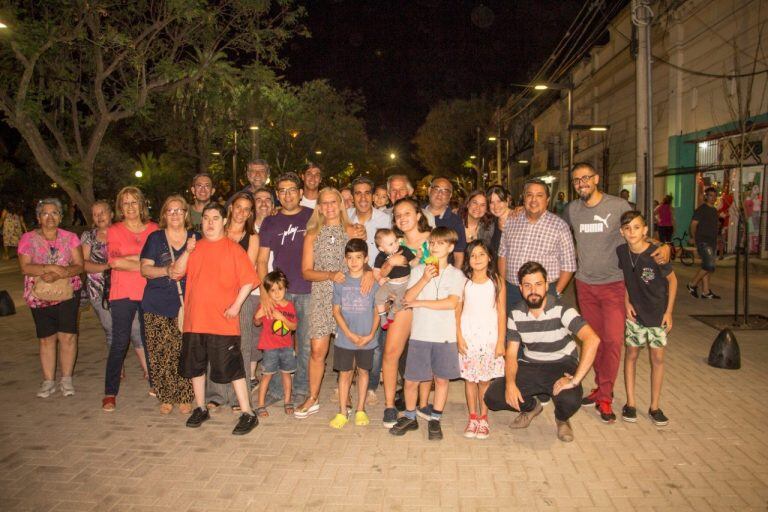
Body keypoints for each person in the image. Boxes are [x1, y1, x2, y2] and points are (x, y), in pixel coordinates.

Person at [563, 163, 669, 423]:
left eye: (586, 178)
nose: (581, 183)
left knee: (612, 341)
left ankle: (606, 396)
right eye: (576, 180)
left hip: (613, 285)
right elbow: (554, 225)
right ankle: (601, 386)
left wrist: (663, 244)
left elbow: (638, 232)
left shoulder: (617, 206)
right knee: (594, 341)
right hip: (585, 286)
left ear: (597, 179)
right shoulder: (572, 210)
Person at [485, 262, 601, 442]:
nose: (533, 290)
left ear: (547, 285)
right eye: (527, 285)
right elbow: (512, 354)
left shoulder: (562, 310)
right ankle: (532, 407)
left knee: (570, 400)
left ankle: (562, 419)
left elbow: (592, 339)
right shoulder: (516, 313)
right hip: (532, 364)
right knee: (493, 397)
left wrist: (575, 380)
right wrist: (510, 384)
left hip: (561, 364)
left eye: (538, 284)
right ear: (521, 288)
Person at [173, 203, 260, 435]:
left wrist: (236, 305)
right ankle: (200, 408)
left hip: (222, 321)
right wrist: (187, 252)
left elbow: (249, 280)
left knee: (233, 368)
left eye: (215, 218)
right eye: (206, 218)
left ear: (224, 221)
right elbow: (176, 272)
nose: (210, 223)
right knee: (196, 367)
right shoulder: (195, 248)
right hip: (195, 320)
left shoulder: (233, 249)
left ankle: (247, 413)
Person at [389, 227, 466, 440]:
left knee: (441, 380)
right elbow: (406, 298)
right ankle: (411, 417)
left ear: (450, 247)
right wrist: (424, 278)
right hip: (420, 335)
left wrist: (419, 302)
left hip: (445, 336)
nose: (435, 247)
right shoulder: (418, 271)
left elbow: (451, 303)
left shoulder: (457, 275)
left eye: (441, 243)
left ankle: (435, 419)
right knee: (411, 380)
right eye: (432, 243)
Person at [257, 172, 313, 406]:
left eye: (292, 190)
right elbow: (261, 261)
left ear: (301, 193)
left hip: (309, 290)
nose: (287, 194)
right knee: (278, 341)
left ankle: (301, 387)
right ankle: (278, 390)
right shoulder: (271, 222)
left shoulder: (313, 216)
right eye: (282, 190)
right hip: (280, 292)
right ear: (277, 195)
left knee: (305, 342)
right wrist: (265, 293)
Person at [18, 198, 84, 398]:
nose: (50, 217)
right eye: (45, 213)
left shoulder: (70, 237)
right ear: (38, 217)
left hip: (67, 292)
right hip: (40, 295)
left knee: (68, 336)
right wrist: (48, 268)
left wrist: (60, 273)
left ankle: (66, 379)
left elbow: (79, 265)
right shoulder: (28, 239)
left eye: (54, 213)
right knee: (46, 338)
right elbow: (25, 267)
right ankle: (48, 381)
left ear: (61, 216)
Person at [294, 187, 351, 418]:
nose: (329, 207)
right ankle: (313, 397)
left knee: (347, 351)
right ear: (318, 207)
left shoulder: (352, 231)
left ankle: (345, 399)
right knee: (317, 350)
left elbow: (361, 263)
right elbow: (306, 272)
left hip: (347, 296)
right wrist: (329, 275)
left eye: (333, 202)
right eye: (324, 203)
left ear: (340, 204)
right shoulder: (312, 234)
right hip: (320, 296)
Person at [617, 211, 676, 426]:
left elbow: (673, 281)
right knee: (631, 355)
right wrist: (626, 303)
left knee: (657, 359)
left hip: (657, 315)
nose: (632, 232)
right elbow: (627, 280)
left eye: (636, 227)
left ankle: (655, 406)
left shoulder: (656, 254)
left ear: (645, 230)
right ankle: (631, 403)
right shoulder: (622, 252)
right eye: (627, 228)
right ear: (621, 232)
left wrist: (668, 312)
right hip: (635, 316)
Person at [139, 195, 196, 415]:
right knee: (161, 352)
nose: (175, 215)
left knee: (185, 350)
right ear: (164, 215)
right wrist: (166, 271)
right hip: (157, 302)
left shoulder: (195, 237)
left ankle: (185, 394)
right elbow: (144, 269)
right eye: (170, 211)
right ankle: (166, 395)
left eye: (179, 210)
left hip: (188, 303)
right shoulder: (155, 238)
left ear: (186, 213)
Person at [102, 187, 157, 411]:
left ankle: (157, 383)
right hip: (122, 292)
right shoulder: (114, 230)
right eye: (125, 203)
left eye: (134, 202)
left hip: (150, 291)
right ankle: (110, 392)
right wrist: (144, 261)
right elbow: (114, 262)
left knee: (151, 339)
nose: (131, 207)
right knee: (120, 342)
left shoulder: (153, 228)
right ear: (120, 208)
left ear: (142, 204)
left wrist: (133, 261)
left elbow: (158, 258)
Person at [205, 192, 260, 412]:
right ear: (231, 208)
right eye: (238, 207)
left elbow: (247, 268)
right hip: (215, 296)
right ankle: (217, 394)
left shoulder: (253, 237)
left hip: (242, 297)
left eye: (247, 209)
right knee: (215, 346)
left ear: (250, 214)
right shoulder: (218, 231)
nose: (241, 212)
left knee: (242, 346)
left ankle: (240, 395)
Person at [381, 197, 432, 428]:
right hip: (402, 305)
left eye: (407, 213)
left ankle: (423, 403)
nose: (402, 218)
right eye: (398, 215)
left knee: (424, 356)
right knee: (391, 352)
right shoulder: (392, 243)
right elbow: (380, 274)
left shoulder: (433, 240)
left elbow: (437, 271)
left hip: (429, 303)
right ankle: (390, 405)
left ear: (419, 215)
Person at [346, 176, 392, 404]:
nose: (363, 198)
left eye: (367, 193)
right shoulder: (346, 219)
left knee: (374, 340)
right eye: (358, 193)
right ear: (352, 196)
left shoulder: (386, 220)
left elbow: (393, 253)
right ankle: (350, 381)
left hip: (379, 287)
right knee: (350, 336)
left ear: (373, 195)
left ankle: (371, 385)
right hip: (352, 287)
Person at [499, 179, 577, 309]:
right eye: (529, 195)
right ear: (524, 199)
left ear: (547, 200)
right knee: (512, 327)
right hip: (512, 290)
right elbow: (503, 254)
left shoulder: (559, 226)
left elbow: (569, 265)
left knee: (540, 328)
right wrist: (502, 286)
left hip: (544, 292)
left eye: (539, 195)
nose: (533, 200)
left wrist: (555, 292)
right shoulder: (511, 221)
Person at [329, 238, 380, 429]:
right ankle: (343, 411)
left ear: (366, 258)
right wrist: (348, 333)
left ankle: (360, 409)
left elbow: (378, 310)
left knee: (364, 372)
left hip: (367, 337)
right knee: (345, 374)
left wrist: (370, 334)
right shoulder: (340, 281)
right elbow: (336, 310)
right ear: (345, 259)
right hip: (345, 338)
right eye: (350, 257)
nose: (354, 261)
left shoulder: (373, 281)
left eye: (358, 257)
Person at [457, 240, 505, 439]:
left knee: (484, 380)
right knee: (469, 380)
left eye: (481, 254)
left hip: (489, 338)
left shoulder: (497, 281)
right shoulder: (463, 281)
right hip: (468, 337)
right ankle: (473, 417)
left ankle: (484, 418)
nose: (477, 259)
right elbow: (457, 311)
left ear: (490, 257)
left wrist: (501, 341)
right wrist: (458, 336)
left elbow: (502, 313)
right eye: (473, 255)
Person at [253, 270, 297, 417]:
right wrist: (259, 315)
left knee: (286, 374)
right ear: (267, 292)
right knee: (267, 375)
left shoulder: (289, 306)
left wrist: (281, 317)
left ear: (285, 288)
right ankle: (260, 404)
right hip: (270, 347)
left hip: (286, 347)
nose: (277, 293)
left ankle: (288, 400)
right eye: (272, 290)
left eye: (280, 289)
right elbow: (257, 322)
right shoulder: (266, 305)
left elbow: (293, 327)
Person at [248, 187, 276, 384]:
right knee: (252, 333)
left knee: (276, 334)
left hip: (277, 290)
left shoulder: (279, 225)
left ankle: (273, 375)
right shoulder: (247, 229)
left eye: (268, 199)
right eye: (259, 199)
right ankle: (250, 375)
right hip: (252, 289)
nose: (264, 203)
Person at [373, 228, 415, 330]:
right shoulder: (381, 256)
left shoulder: (404, 250)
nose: (395, 245)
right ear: (381, 248)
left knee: (401, 301)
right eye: (390, 244)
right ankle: (383, 317)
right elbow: (376, 271)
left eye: (396, 241)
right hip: (389, 283)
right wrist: (379, 279)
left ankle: (392, 312)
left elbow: (413, 264)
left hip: (404, 284)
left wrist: (417, 258)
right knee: (378, 297)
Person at [424, 177, 467, 267]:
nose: (440, 194)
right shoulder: (416, 213)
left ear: (450, 195)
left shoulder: (455, 221)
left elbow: (458, 254)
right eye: (437, 189)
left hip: (443, 273)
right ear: (429, 190)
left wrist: (456, 276)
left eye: (445, 191)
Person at [687, 187, 721, 299]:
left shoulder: (714, 210)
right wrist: (693, 237)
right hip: (703, 241)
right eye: (711, 195)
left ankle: (706, 292)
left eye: (715, 196)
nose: (713, 198)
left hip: (712, 241)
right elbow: (693, 224)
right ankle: (692, 284)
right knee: (709, 265)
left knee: (706, 265)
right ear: (706, 196)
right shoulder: (701, 209)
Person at [485, 185, 512, 255]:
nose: (496, 206)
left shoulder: (519, 218)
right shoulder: (492, 222)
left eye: (499, 201)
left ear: (507, 200)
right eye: (492, 202)